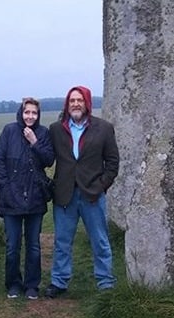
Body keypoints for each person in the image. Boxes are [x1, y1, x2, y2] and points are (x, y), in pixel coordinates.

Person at [45, 85, 119, 297]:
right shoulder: (56, 129)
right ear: (67, 105)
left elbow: (113, 162)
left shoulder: (104, 128)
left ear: (87, 103)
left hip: (92, 194)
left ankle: (105, 282)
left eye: (79, 100)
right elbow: (47, 156)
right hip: (64, 195)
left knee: (100, 240)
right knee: (62, 241)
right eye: (71, 101)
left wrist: (101, 185)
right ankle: (59, 282)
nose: (75, 104)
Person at [0, 97, 55, 300]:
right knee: (12, 246)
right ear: (21, 112)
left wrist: (34, 142)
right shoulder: (9, 131)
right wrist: (5, 185)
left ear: (38, 115)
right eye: (27, 112)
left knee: (34, 245)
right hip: (11, 197)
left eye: (34, 113)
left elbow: (48, 160)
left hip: (35, 197)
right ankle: (13, 283)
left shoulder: (43, 133)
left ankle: (31, 285)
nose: (30, 116)